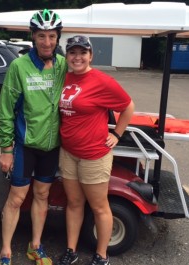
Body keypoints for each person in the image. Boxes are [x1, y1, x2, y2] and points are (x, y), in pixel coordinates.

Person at [0, 9, 67, 265]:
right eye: (41, 36)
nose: (47, 42)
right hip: (25, 145)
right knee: (16, 197)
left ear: (58, 37)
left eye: (51, 36)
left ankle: (35, 245)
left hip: (51, 146)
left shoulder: (63, 65)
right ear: (33, 37)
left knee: (42, 196)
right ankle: (5, 249)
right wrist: (5, 147)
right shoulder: (19, 66)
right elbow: (5, 109)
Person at [57, 35, 135, 265]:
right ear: (67, 56)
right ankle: (71, 250)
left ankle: (101, 255)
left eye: (82, 52)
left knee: (99, 206)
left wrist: (117, 134)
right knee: (73, 203)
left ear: (91, 55)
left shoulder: (102, 81)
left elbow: (128, 106)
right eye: (72, 52)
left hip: (93, 155)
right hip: (68, 152)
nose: (77, 57)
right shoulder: (65, 77)